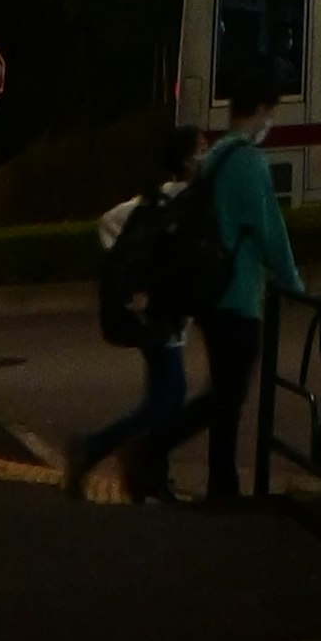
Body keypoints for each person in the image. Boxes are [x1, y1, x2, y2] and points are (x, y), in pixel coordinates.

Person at [72, 132, 205, 505]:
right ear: (184, 161)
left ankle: (148, 476)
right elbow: (108, 223)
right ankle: (96, 449)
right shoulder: (178, 201)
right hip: (162, 319)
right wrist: (141, 277)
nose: (205, 158)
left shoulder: (159, 200)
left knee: (165, 397)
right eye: (200, 151)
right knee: (166, 400)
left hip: (162, 317)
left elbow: (110, 225)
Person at [189, 87, 304, 506]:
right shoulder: (249, 161)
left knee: (223, 394)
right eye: (269, 113)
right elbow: (269, 228)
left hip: (207, 290)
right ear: (257, 109)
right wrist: (292, 281)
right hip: (236, 292)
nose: (269, 124)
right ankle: (158, 449)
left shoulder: (215, 156)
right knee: (227, 396)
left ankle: (221, 485)